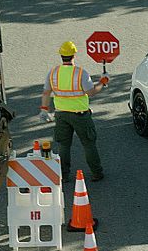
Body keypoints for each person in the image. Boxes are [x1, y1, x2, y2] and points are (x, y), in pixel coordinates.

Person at [40, 41, 109, 183]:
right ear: (74, 55)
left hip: (61, 115)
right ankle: (97, 173)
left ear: (61, 55)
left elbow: (46, 93)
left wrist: (44, 110)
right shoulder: (80, 73)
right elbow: (91, 92)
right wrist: (102, 82)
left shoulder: (53, 73)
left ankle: (64, 175)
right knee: (89, 144)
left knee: (64, 145)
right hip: (80, 115)